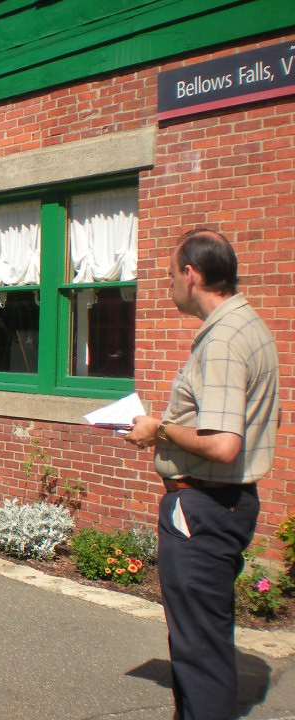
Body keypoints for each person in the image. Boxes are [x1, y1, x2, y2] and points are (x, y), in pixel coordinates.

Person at [124, 227, 279, 720]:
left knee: (198, 653)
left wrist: (159, 430)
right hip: (221, 505)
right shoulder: (246, 326)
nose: (169, 285)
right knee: (204, 640)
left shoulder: (225, 340)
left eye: (171, 275)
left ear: (191, 275)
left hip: (202, 507)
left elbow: (222, 444)